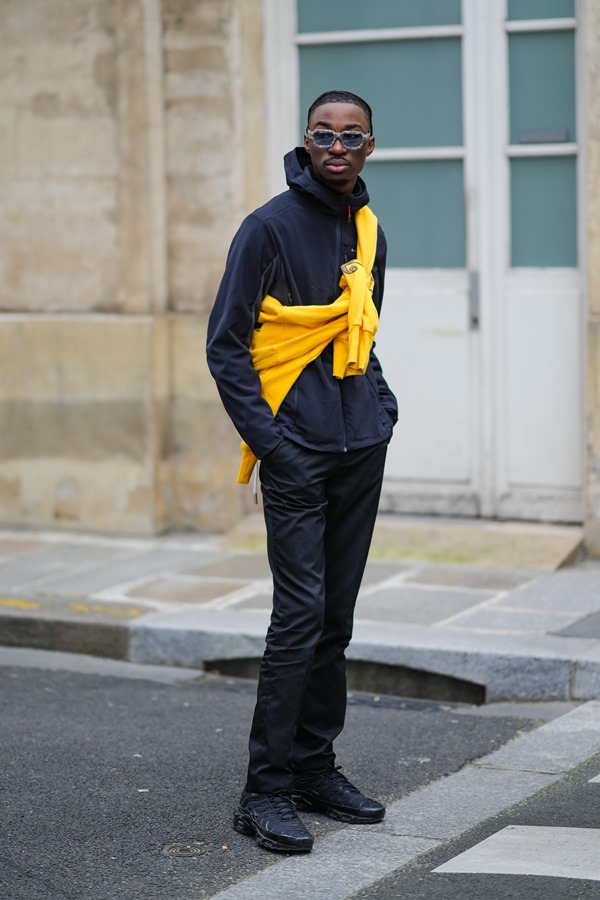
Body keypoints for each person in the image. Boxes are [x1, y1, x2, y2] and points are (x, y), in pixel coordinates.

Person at [206, 89, 398, 854]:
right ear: (307, 140)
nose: (338, 144)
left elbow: (364, 330)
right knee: (298, 618)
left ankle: (315, 769)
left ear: (371, 145)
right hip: (297, 454)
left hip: (360, 448)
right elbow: (226, 347)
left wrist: (381, 406)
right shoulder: (267, 229)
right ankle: (266, 792)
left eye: (352, 134)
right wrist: (275, 443)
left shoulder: (368, 228)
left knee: (336, 621)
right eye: (325, 132)